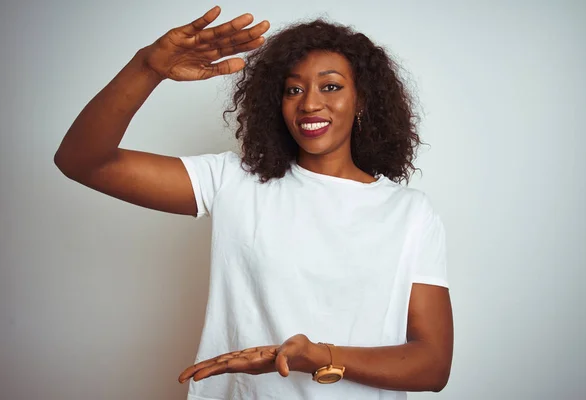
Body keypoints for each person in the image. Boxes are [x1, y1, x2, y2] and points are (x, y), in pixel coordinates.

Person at [55, 5, 453, 400]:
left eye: (330, 86)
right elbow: (83, 161)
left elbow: (432, 365)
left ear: (362, 99)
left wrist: (317, 357)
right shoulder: (234, 180)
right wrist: (147, 68)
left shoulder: (409, 213)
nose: (310, 103)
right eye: (293, 89)